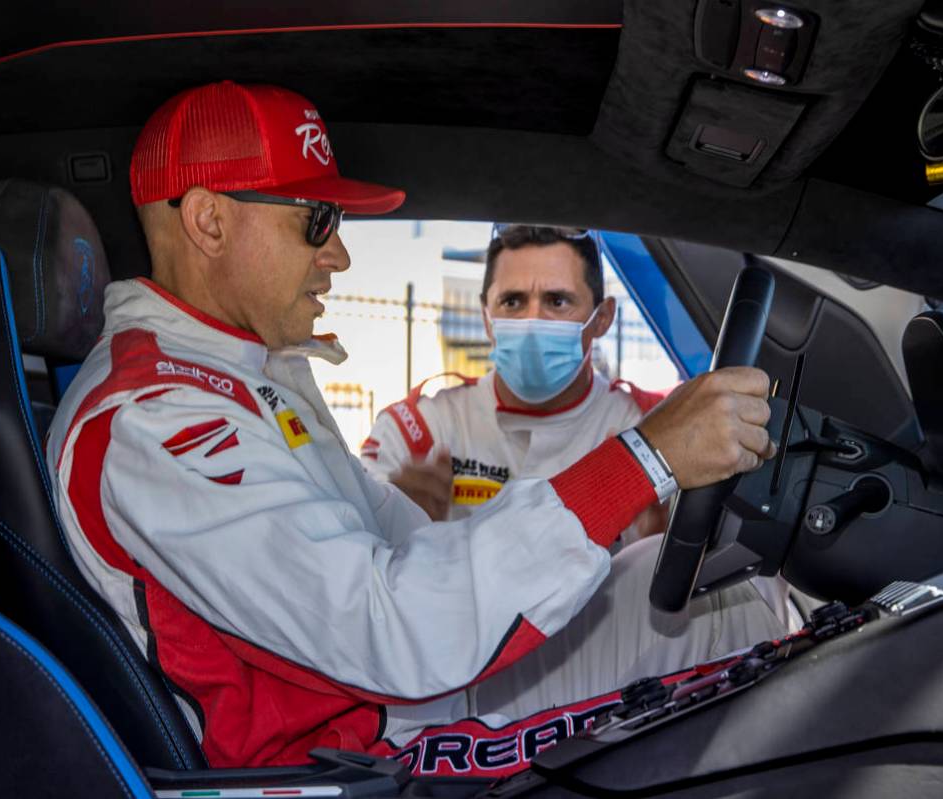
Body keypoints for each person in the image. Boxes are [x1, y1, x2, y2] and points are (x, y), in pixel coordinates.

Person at [46, 80, 785, 778]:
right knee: (748, 652)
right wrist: (642, 460)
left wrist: (619, 488)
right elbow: (391, 625)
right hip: (362, 753)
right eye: (317, 220)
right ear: (209, 220)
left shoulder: (245, 376)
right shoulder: (155, 418)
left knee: (701, 594)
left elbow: (409, 547)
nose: (337, 253)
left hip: (404, 700)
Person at [361, 225, 667, 546]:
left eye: (558, 301)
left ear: (602, 317)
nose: (532, 321)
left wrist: (658, 546)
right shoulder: (418, 433)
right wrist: (394, 521)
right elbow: (351, 558)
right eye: (512, 302)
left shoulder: (647, 430)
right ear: (486, 318)